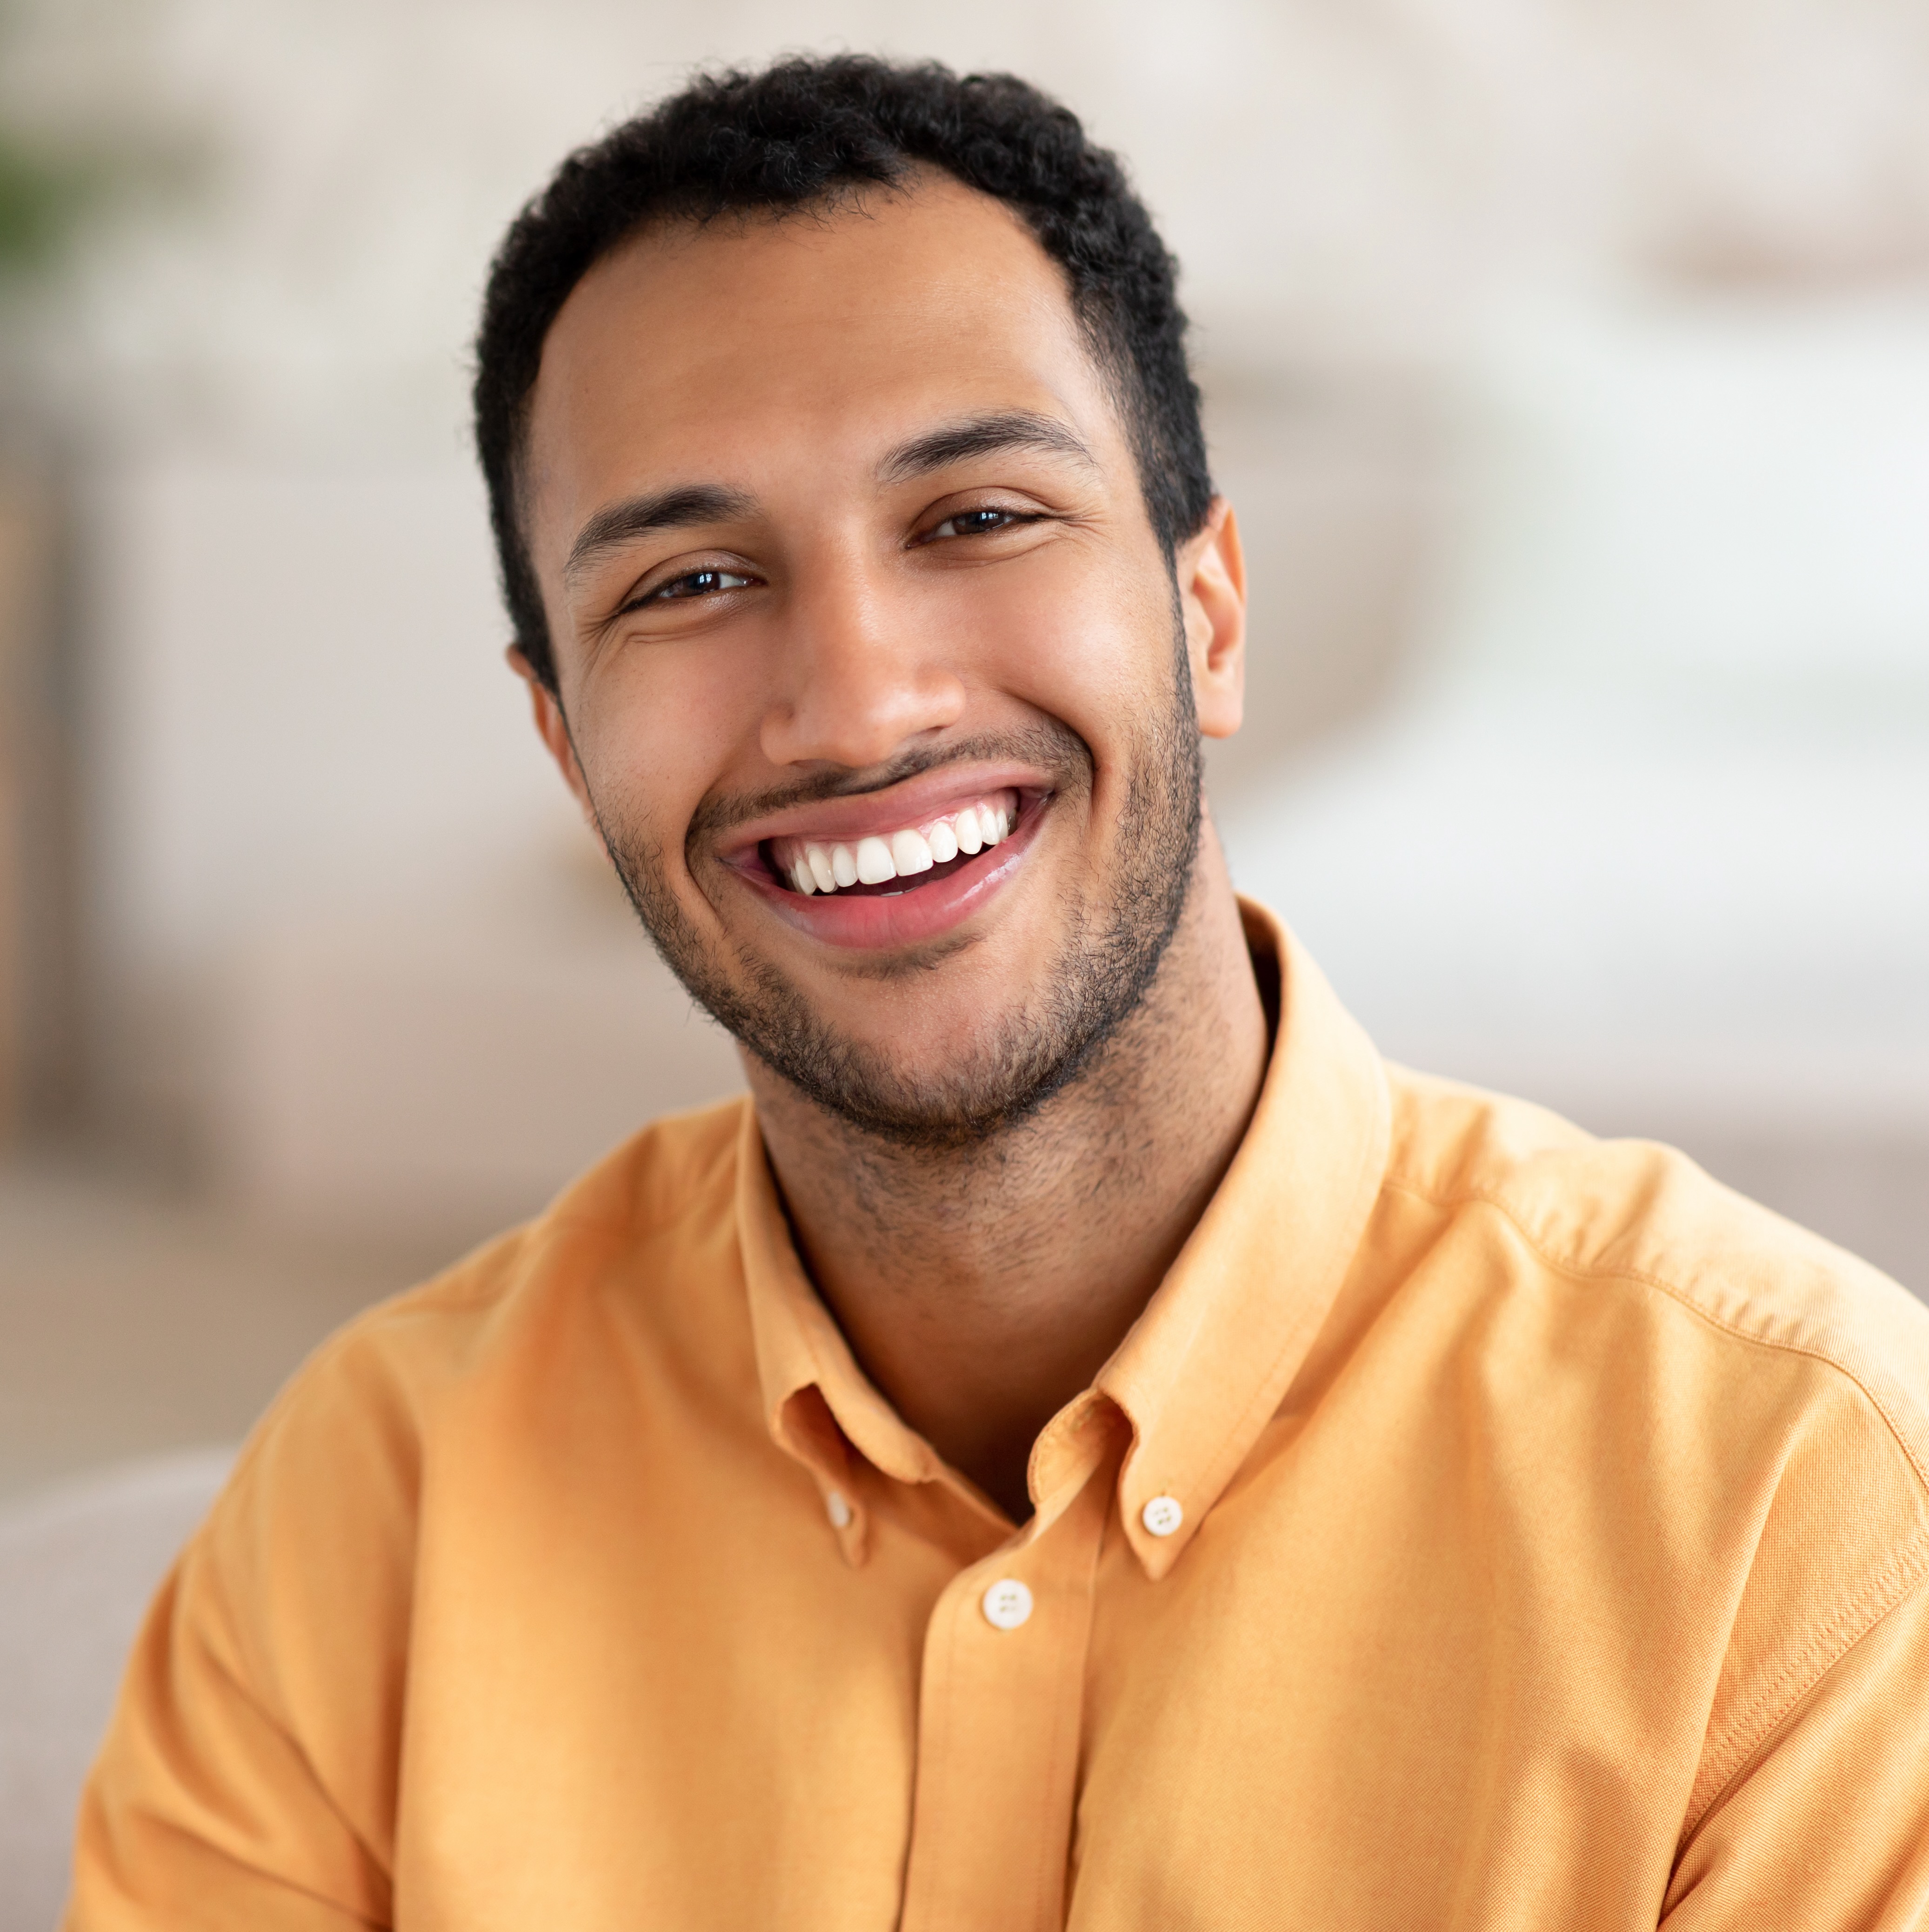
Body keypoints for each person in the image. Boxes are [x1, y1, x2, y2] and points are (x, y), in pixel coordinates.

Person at [66, 55, 1929, 1931]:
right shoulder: (365, 1513)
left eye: (972, 517)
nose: (859, 702)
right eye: (693, 581)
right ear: (561, 738)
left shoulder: (1795, 1499)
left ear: (1204, 616)